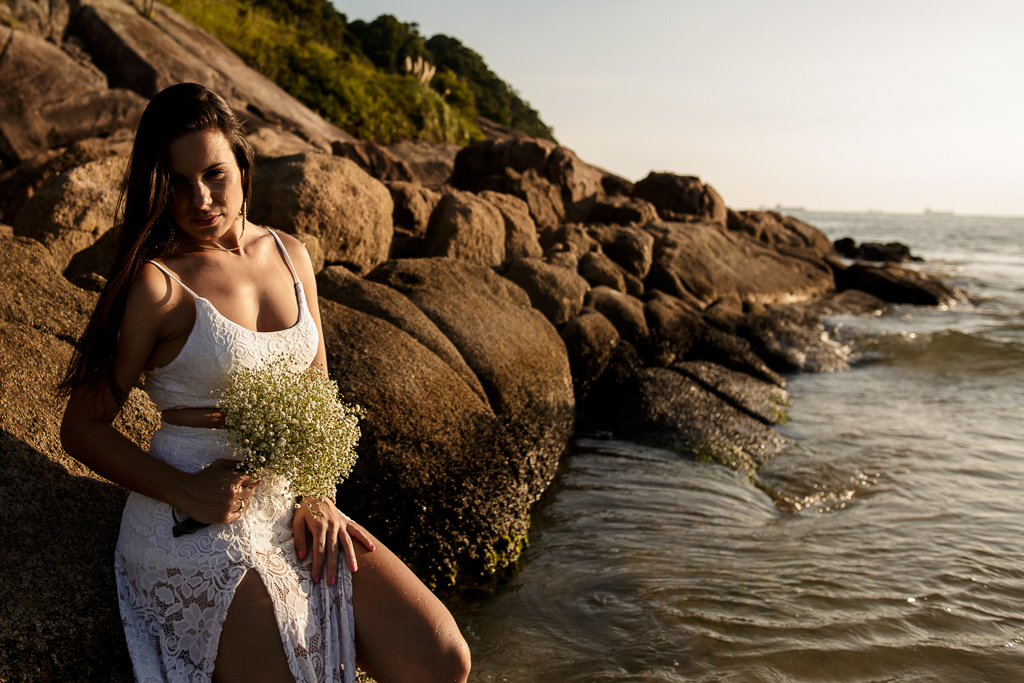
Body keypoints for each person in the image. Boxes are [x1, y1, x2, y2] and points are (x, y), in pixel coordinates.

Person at [59, 83, 471, 683]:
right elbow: (83, 427)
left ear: (243, 166)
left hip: (290, 501)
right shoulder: (158, 284)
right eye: (177, 182)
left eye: (214, 174)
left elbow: (315, 397)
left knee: (442, 659)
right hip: (192, 523)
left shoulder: (290, 253)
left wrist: (319, 495)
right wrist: (185, 490)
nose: (200, 198)